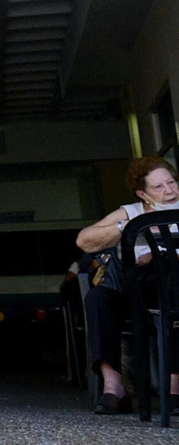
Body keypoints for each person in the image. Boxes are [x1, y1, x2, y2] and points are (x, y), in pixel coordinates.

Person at [76, 155, 179, 415]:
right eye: (159, 187)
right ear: (142, 194)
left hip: (171, 286)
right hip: (133, 290)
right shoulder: (131, 212)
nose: (169, 191)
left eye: (171, 182)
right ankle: (114, 387)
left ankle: (175, 389)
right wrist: (129, 227)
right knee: (98, 298)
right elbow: (84, 241)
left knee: (169, 274)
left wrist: (158, 254)